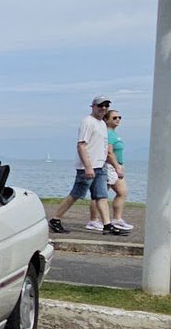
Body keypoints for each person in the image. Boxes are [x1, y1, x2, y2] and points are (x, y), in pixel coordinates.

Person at [48, 95, 126, 235]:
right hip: (88, 167)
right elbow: (81, 145)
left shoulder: (102, 124)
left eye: (106, 106)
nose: (103, 108)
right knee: (76, 194)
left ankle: (107, 225)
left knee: (101, 196)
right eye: (100, 105)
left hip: (100, 166)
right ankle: (55, 219)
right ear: (93, 107)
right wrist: (88, 167)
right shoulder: (88, 122)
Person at [101, 109, 133, 231]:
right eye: (114, 118)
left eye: (119, 117)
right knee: (101, 194)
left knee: (122, 192)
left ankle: (117, 219)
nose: (118, 119)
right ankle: (94, 220)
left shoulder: (114, 134)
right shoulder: (108, 134)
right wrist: (116, 166)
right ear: (106, 119)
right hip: (109, 166)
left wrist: (120, 165)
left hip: (116, 166)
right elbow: (109, 152)